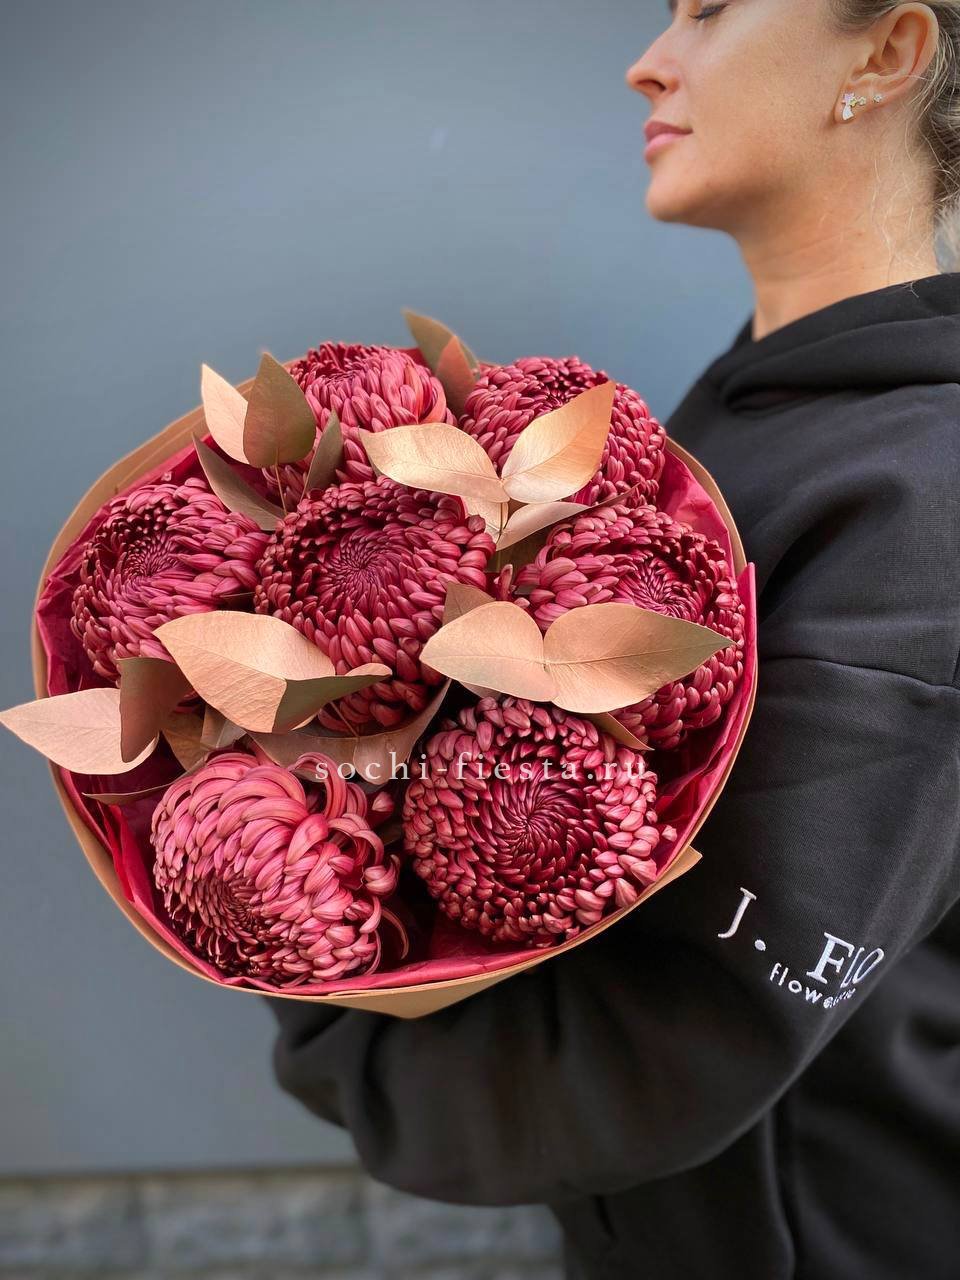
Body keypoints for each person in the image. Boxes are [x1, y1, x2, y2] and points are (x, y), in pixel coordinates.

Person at [263, 4, 960, 1277]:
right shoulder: (739, 418)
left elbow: (684, 1031)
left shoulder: (923, 497)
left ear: (884, 52)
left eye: (713, 9)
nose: (649, 61)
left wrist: (335, 1021)